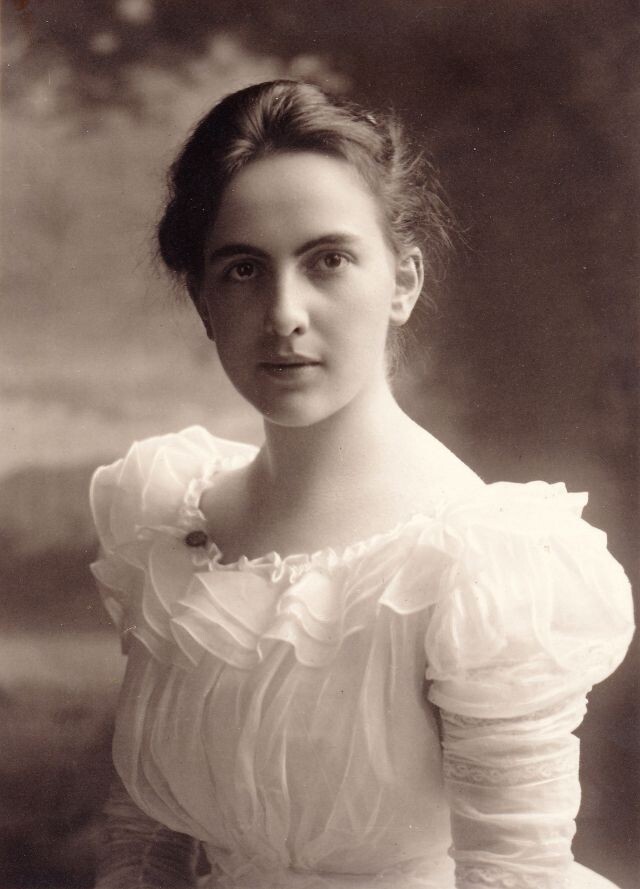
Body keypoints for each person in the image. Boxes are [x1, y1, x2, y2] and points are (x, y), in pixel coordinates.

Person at [89, 80, 634, 889]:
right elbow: (147, 834)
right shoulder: (168, 521)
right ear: (203, 300)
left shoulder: (483, 565)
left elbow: (512, 874)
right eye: (243, 269)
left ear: (403, 282)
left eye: (329, 261)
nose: (284, 312)